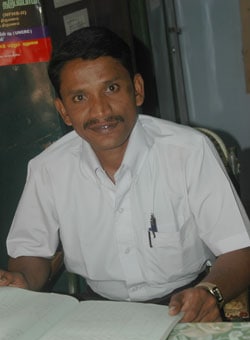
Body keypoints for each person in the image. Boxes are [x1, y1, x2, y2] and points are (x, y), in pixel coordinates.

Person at [0, 26, 250, 323]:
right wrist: (23, 280)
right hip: (96, 311)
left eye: (112, 88)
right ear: (64, 111)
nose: (101, 110)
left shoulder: (188, 151)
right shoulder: (48, 168)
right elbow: (31, 252)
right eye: (80, 98)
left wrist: (210, 291)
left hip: (186, 303)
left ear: (138, 89)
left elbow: (239, 249)